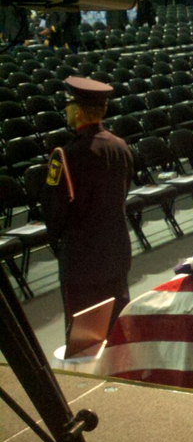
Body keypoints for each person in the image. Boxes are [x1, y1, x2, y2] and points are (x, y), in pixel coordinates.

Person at [41, 77, 133, 340]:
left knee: (84, 340)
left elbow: (54, 208)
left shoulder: (67, 155)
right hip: (116, 249)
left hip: (83, 258)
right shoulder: (120, 145)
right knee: (118, 331)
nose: (66, 111)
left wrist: (58, 239)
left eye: (68, 106)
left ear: (78, 110)